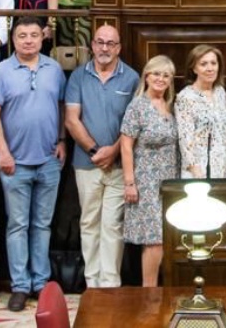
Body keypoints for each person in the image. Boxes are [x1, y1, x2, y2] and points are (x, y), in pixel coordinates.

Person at [0, 17, 67, 312]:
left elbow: (60, 106)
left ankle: (41, 284)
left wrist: (61, 139)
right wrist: (3, 152)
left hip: (47, 160)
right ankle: (20, 285)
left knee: (42, 225)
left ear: (42, 38)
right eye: (22, 35)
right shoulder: (1, 71)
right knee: (17, 225)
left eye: (33, 35)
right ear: (13, 39)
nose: (28, 40)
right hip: (14, 163)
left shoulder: (54, 68)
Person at [64, 25, 140, 288]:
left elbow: (134, 123)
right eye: (100, 42)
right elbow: (72, 120)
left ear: (118, 47)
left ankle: (110, 286)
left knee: (112, 226)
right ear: (92, 45)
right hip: (87, 164)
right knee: (89, 222)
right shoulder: (77, 77)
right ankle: (92, 284)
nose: (105, 48)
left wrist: (114, 150)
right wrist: (96, 151)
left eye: (110, 43)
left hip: (120, 165)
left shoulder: (132, 78)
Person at [121, 55, 180, 287]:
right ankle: (149, 291)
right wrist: (129, 182)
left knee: (167, 237)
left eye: (166, 75)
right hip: (146, 180)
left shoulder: (171, 106)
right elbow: (126, 145)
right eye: (156, 73)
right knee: (154, 240)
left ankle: (162, 290)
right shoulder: (138, 105)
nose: (160, 79)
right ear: (146, 75)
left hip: (170, 181)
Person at [175, 44, 226, 179]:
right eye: (203, 64)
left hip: (221, 169)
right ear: (194, 68)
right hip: (197, 171)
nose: (210, 68)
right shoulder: (185, 97)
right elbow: (185, 137)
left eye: (213, 63)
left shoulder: (220, 92)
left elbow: (223, 132)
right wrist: (195, 170)